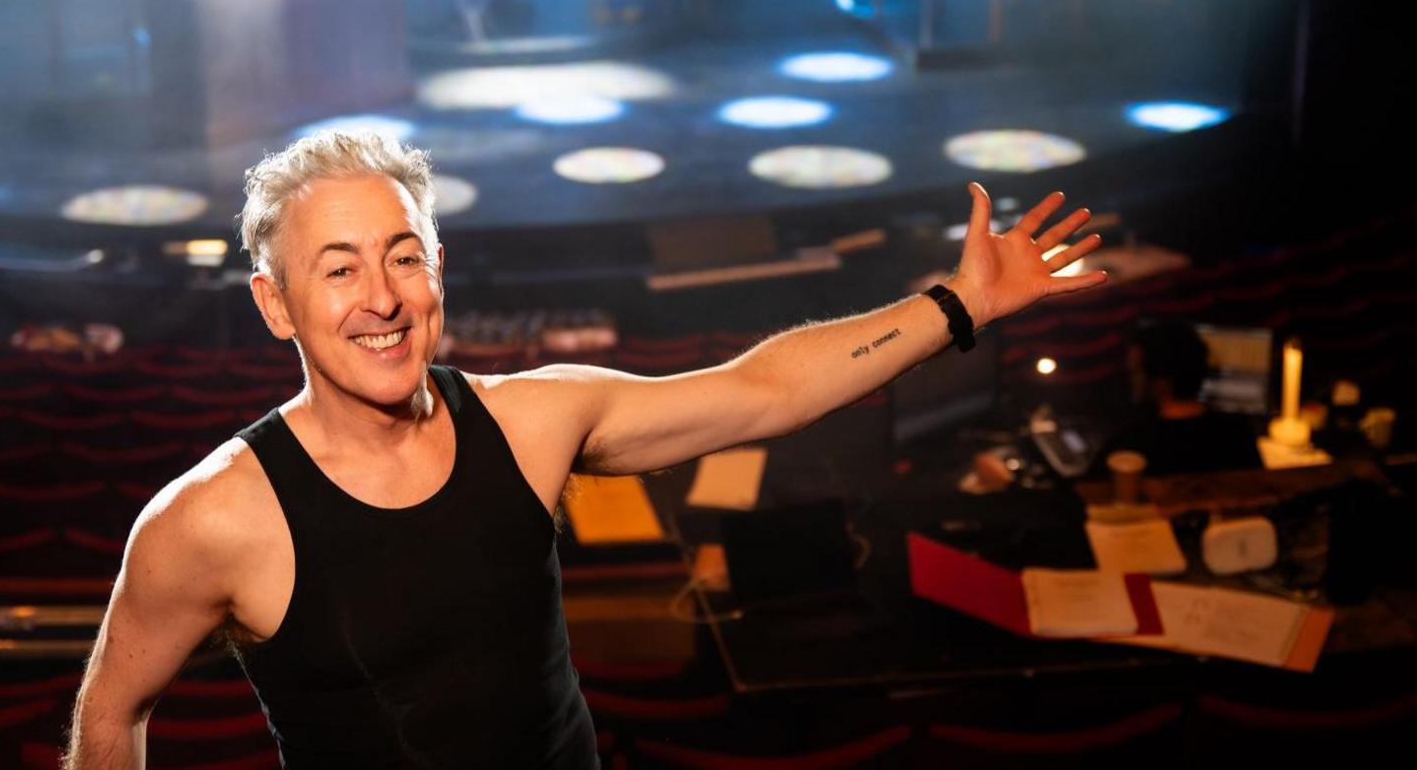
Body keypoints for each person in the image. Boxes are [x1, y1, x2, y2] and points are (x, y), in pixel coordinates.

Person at [62, 130, 1106, 768]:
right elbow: (112, 710)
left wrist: (961, 301)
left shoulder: (531, 419)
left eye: (403, 256)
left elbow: (765, 389)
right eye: (337, 269)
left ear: (438, 270)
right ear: (275, 304)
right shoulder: (208, 518)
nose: (381, 296)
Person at [1103, 319, 1264, 476]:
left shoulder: (1129, 445)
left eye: (1136, 372)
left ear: (1161, 382)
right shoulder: (1238, 434)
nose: (1132, 380)